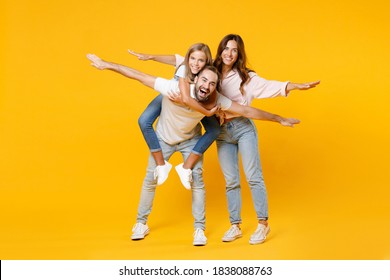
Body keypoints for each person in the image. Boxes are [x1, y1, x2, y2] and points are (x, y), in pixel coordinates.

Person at [87, 57, 301, 245]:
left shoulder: (216, 99)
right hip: (164, 138)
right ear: (195, 78)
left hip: (190, 140)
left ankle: (199, 229)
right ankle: (141, 224)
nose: (207, 86)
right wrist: (106, 65)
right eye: (204, 80)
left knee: (197, 181)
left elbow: (245, 110)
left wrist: (279, 118)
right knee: (150, 179)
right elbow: (138, 76)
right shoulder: (173, 88)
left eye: (213, 83)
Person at [212, 34, 320, 245]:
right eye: (226, 48)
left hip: (243, 128)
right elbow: (186, 62)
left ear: (238, 54)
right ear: (220, 50)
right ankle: (235, 225)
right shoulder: (211, 72)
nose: (229, 53)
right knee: (231, 180)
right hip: (222, 132)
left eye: (234, 50)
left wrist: (295, 86)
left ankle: (263, 224)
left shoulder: (246, 77)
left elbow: (271, 86)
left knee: (253, 176)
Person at [88, 43, 220, 189]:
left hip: (194, 104)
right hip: (172, 96)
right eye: (193, 59)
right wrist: (108, 64)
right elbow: (152, 71)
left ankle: (186, 167)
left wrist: (215, 110)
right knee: (144, 120)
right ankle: (161, 165)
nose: (195, 64)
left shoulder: (208, 78)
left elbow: (177, 62)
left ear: (207, 63)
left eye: (200, 61)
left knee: (215, 129)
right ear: (189, 58)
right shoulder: (184, 69)